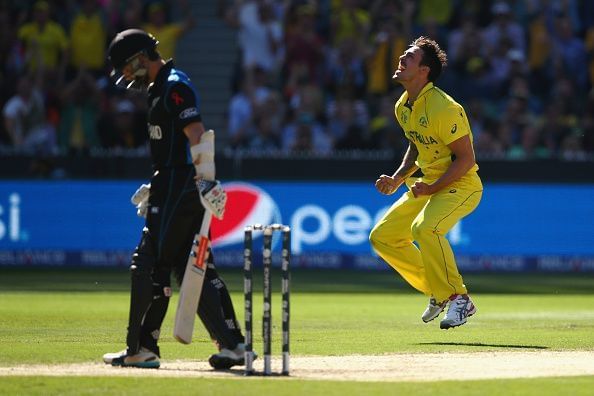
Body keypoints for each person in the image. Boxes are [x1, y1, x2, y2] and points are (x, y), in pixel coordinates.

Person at [101, 29, 247, 369]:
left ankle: (141, 347)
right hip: (171, 182)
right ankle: (234, 345)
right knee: (192, 265)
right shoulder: (158, 88)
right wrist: (159, 183)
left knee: (150, 263)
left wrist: (206, 181)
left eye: (125, 66)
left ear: (140, 59)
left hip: (181, 186)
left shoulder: (174, 86)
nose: (125, 75)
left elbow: (196, 133)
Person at [369, 36, 483, 330]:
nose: (401, 59)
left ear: (424, 71)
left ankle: (459, 297)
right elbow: (416, 144)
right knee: (383, 237)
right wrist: (398, 178)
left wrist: (432, 188)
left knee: (425, 228)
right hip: (428, 183)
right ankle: (438, 290)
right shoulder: (402, 106)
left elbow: (466, 159)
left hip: (462, 185)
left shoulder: (445, 107)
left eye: (409, 57)